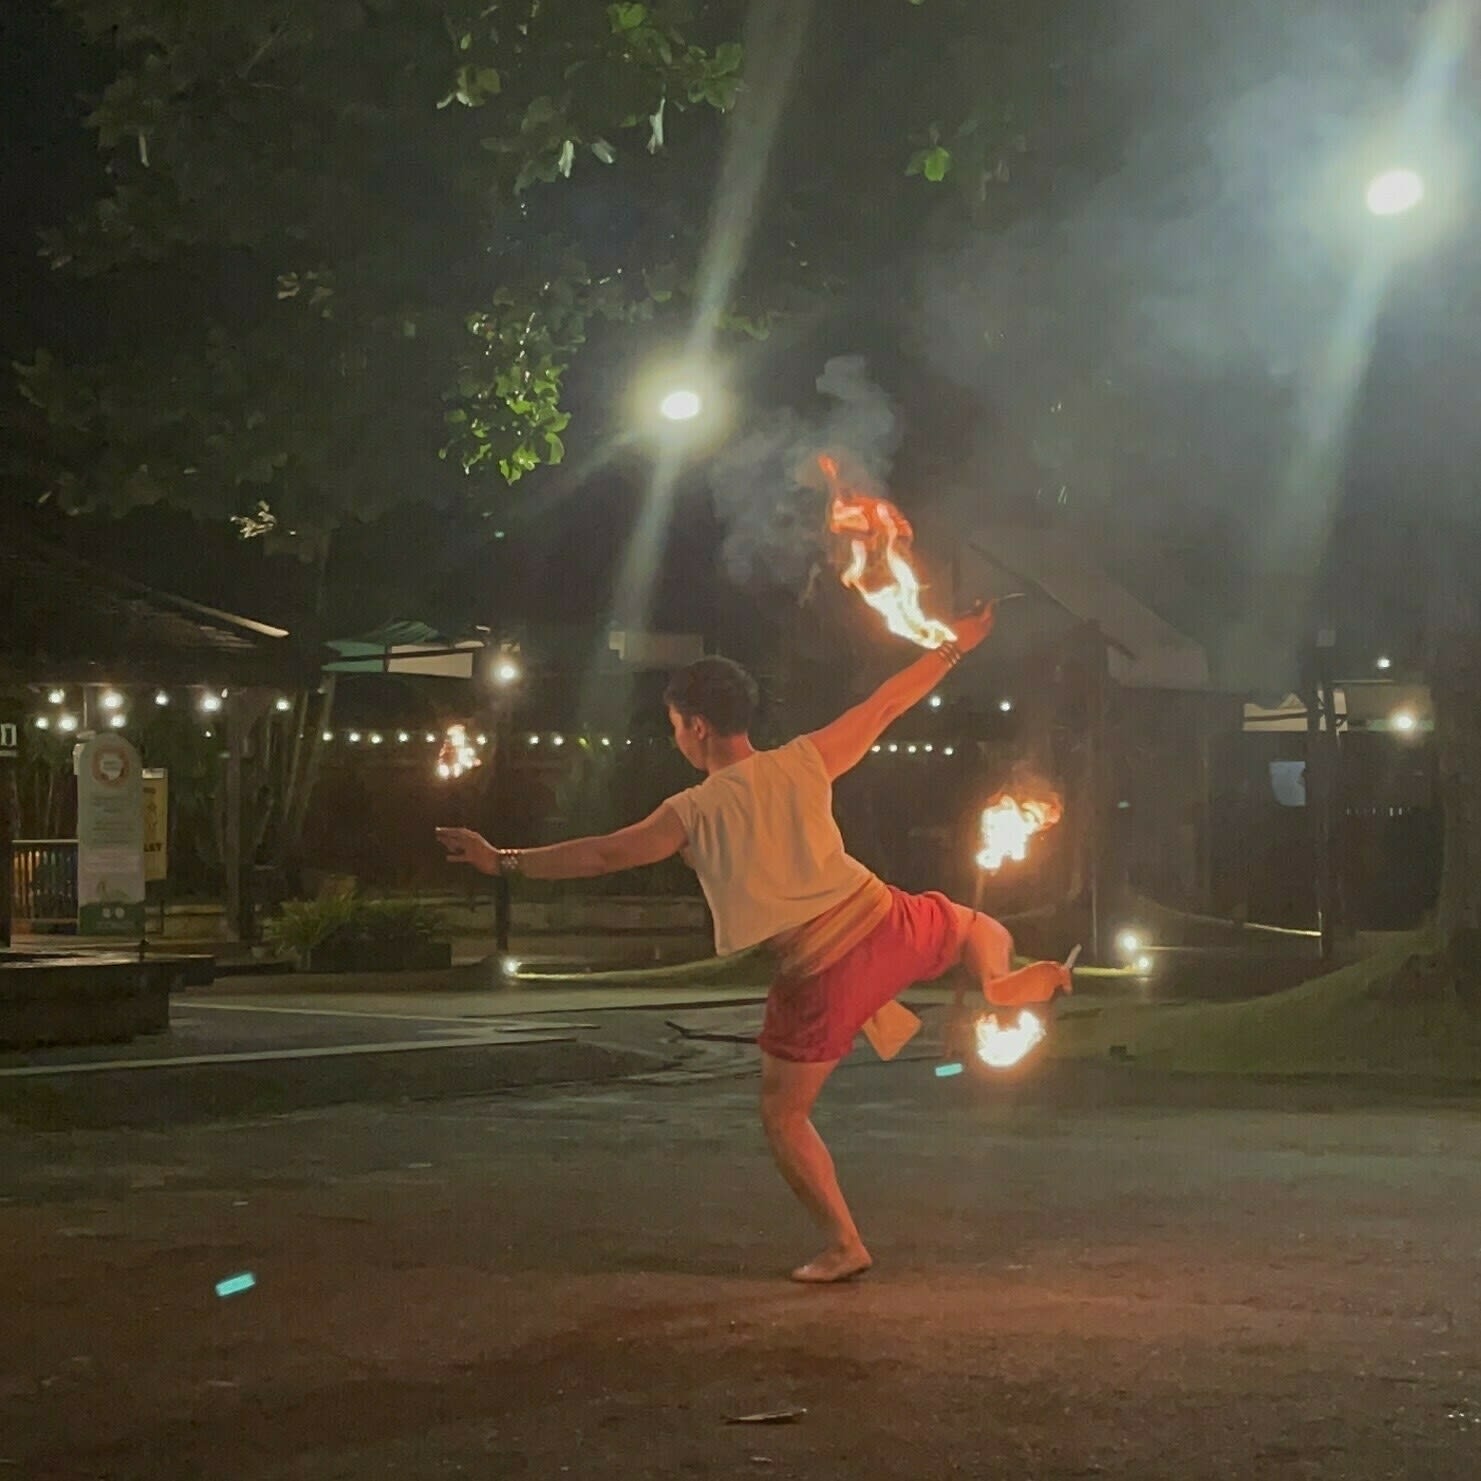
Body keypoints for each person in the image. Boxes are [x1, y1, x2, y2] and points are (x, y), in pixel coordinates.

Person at [436, 603, 1067, 1284]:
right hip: (883, 919)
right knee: (977, 923)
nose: (676, 736)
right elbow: (886, 704)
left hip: (820, 966)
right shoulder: (803, 761)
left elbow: (599, 856)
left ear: (696, 726)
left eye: (676, 725)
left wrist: (500, 858)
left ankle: (844, 1243)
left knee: (783, 1113)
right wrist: (954, 648)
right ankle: (1000, 980)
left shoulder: (692, 810)